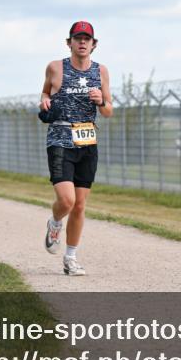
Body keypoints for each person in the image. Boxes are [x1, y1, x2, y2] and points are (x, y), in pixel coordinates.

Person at [39, 21, 113, 276]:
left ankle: (70, 258)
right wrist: (46, 102)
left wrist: (101, 100)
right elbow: (45, 95)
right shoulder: (55, 67)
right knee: (67, 200)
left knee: (79, 205)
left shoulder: (101, 71)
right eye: (77, 38)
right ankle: (55, 222)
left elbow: (108, 110)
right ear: (68, 42)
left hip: (87, 141)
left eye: (86, 39)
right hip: (60, 139)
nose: (82, 42)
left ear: (94, 44)